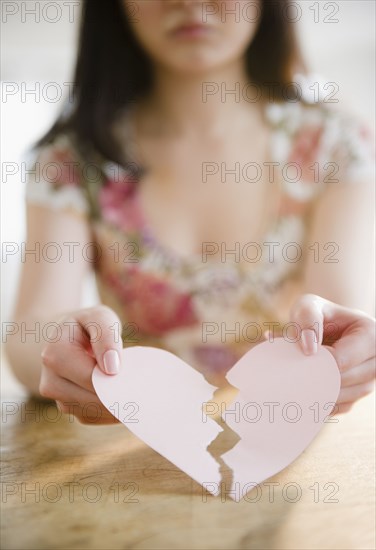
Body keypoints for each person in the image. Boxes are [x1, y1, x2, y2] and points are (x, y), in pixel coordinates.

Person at [5, 0, 375, 423]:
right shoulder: (70, 163)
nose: (189, 3)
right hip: (135, 446)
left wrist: (347, 352)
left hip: (284, 437)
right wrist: (63, 350)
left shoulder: (337, 147)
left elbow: (340, 315)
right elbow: (27, 336)